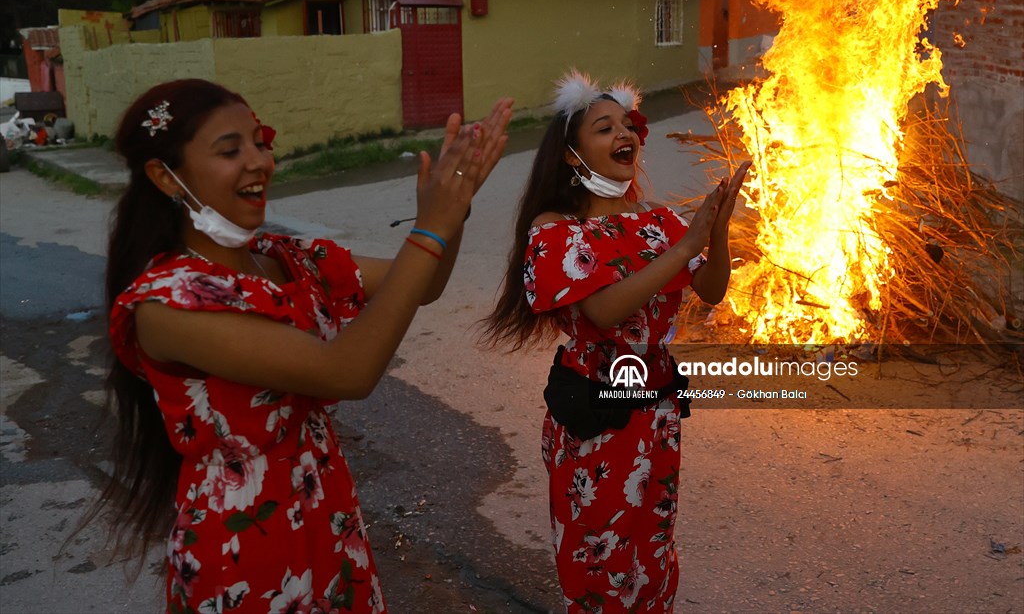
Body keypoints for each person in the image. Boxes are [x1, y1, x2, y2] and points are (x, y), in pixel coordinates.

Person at [97, 78, 512, 613]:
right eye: (231, 150)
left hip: (327, 515)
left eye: (260, 141)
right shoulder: (166, 303)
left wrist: (454, 209)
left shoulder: (285, 256)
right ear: (165, 176)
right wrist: (430, 229)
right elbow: (348, 372)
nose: (260, 162)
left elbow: (421, 284)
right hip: (246, 553)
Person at [483, 71, 749, 612]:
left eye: (628, 124)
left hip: (657, 414)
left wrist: (716, 230)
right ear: (570, 155)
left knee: (653, 556)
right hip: (596, 423)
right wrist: (685, 246)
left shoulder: (658, 220)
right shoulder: (555, 229)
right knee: (599, 564)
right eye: (604, 128)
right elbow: (603, 310)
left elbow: (712, 289)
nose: (624, 133)